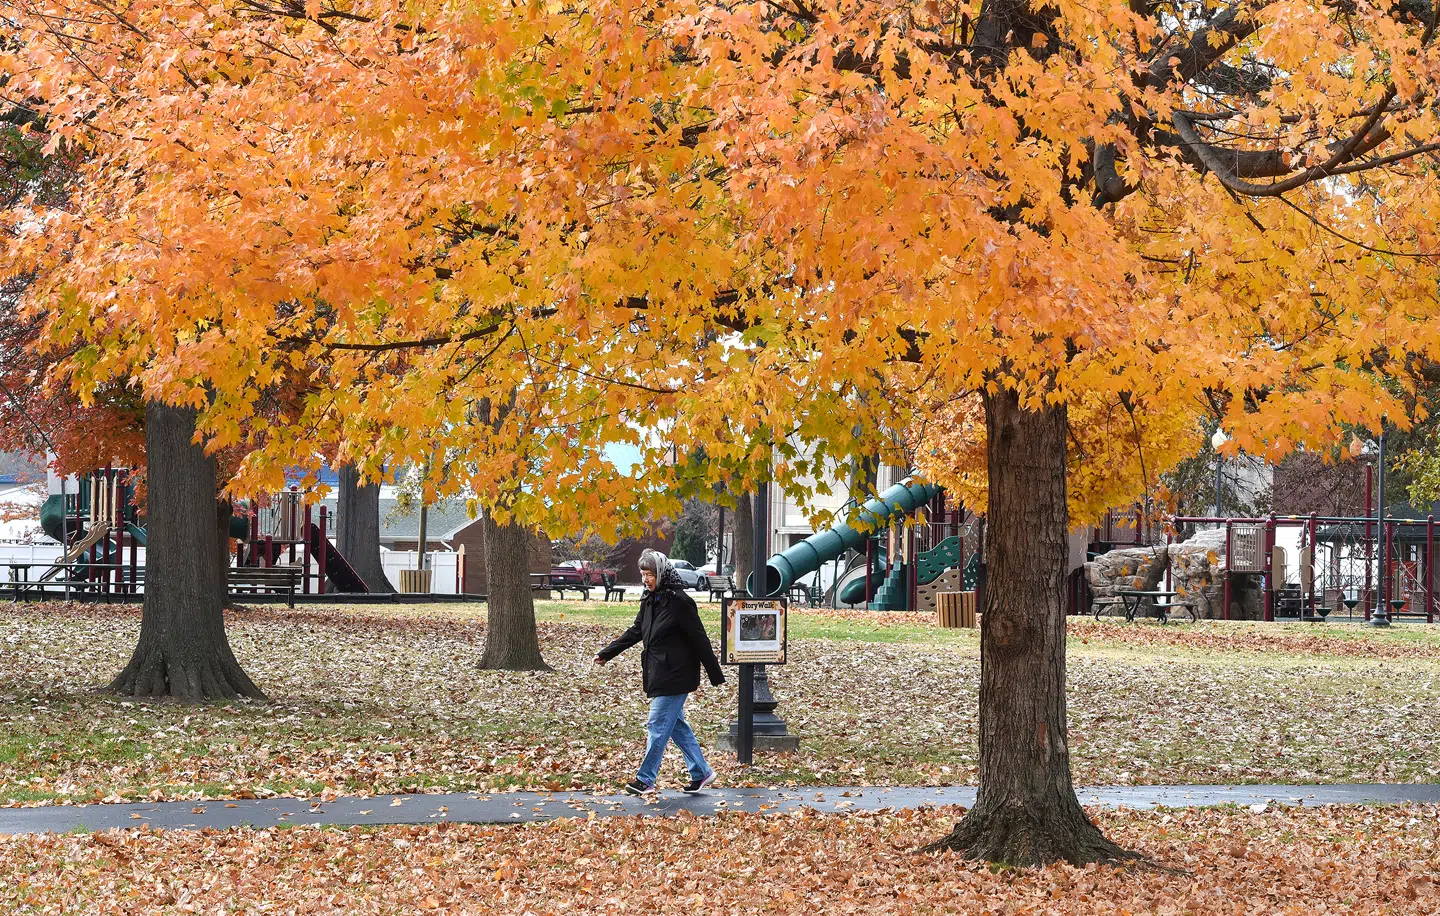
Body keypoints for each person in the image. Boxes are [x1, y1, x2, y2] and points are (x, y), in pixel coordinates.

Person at [594, 549, 725, 795]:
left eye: (650, 574)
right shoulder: (649, 599)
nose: (645, 579)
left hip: (677, 674)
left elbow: (699, 638)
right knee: (676, 726)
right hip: (657, 671)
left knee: (657, 724)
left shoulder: (680, 602)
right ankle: (702, 771)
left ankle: (645, 778)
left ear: (662, 573)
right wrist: (607, 653)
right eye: (643, 574)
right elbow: (636, 631)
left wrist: (714, 673)